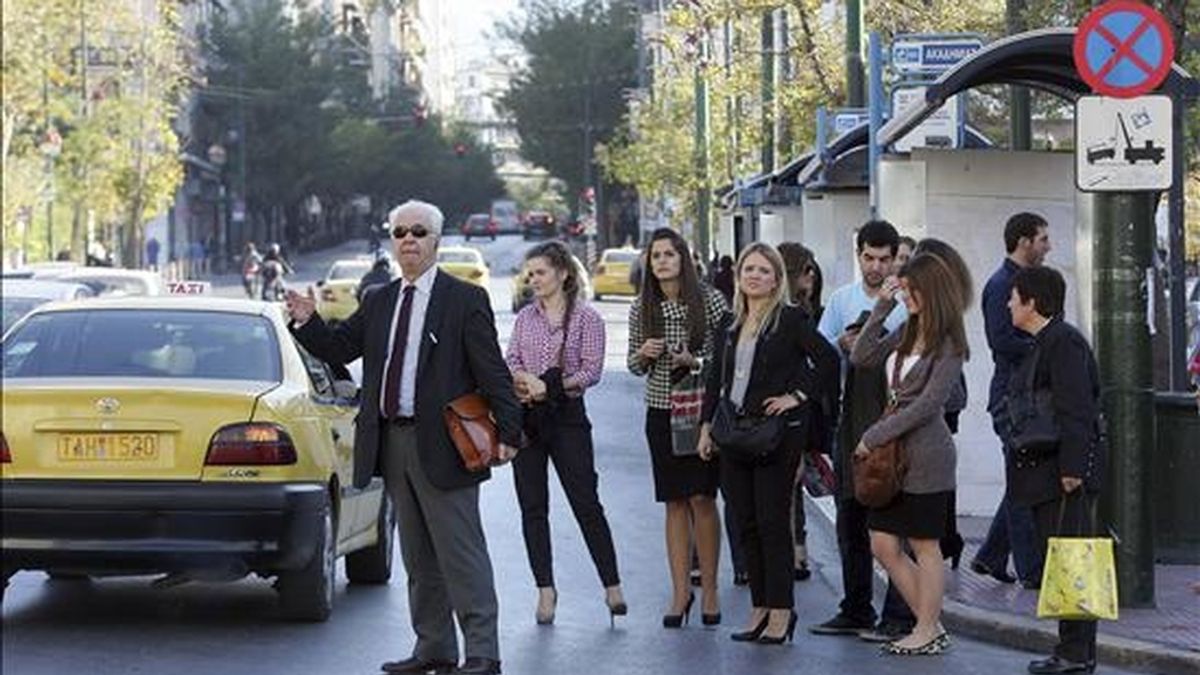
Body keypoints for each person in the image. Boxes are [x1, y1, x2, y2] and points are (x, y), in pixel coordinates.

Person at [284, 200, 522, 675]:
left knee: (461, 552)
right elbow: (338, 349)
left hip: (445, 444)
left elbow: (491, 370)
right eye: (400, 233)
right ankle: (433, 647)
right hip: (391, 442)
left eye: (418, 232)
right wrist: (308, 319)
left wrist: (510, 430)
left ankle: (483, 653)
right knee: (417, 554)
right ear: (393, 241)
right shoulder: (380, 300)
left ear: (436, 241)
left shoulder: (464, 300)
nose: (408, 240)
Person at [697, 243, 838, 645]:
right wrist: (706, 426)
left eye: (763, 270)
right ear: (738, 275)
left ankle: (781, 611)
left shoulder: (790, 319)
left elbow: (828, 362)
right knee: (746, 525)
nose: (754, 276)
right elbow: (714, 379)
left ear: (777, 279)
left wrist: (797, 395)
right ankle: (758, 609)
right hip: (733, 433)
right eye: (748, 269)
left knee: (773, 524)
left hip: (777, 436)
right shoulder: (728, 320)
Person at [849, 252, 969, 655]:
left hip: (927, 455)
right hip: (892, 454)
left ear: (931, 291)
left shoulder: (949, 343)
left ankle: (925, 628)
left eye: (912, 289)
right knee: (882, 544)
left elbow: (926, 406)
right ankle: (930, 624)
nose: (906, 295)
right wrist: (881, 307)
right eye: (905, 288)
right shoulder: (904, 329)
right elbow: (861, 356)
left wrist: (874, 435)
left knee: (923, 543)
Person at [506, 240, 625, 626]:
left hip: (568, 417)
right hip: (528, 419)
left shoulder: (586, 318)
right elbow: (510, 359)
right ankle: (545, 590)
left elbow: (592, 371)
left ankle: (612, 585)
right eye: (530, 273)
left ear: (563, 274)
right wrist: (522, 379)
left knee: (586, 503)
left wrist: (552, 387)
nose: (533, 279)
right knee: (532, 507)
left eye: (540, 272)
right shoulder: (525, 318)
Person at [810, 220, 912, 641]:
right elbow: (817, 353)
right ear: (859, 256)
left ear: (895, 259)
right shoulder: (840, 300)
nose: (876, 267)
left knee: (891, 521)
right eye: (869, 258)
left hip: (891, 424)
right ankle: (855, 607)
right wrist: (842, 346)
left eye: (884, 259)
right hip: (847, 422)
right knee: (849, 520)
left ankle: (899, 612)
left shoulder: (907, 303)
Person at [627, 227, 728, 629]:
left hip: (700, 409)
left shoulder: (711, 300)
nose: (663, 261)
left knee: (702, 498)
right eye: (656, 256)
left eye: (670, 254)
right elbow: (634, 367)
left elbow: (724, 357)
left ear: (683, 258)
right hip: (661, 409)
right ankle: (679, 591)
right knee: (673, 502)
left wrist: (695, 360)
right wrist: (643, 353)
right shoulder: (642, 306)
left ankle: (711, 590)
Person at [1005, 266, 1104, 675]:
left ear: (1032, 302)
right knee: (1062, 557)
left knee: (1072, 559)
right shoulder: (1045, 342)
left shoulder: (1062, 343)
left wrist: (1072, 469)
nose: (1009, 303)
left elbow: (1076, 408)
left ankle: (1076, 653)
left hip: (1060, 473)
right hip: (1044, 472)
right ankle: (1072, 649)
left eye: (1015, 297)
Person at [973, 212, 1053, 589]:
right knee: (1024, 481)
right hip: (1012, 398)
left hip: (1024, 396)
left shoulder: (1019, 282)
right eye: (1042, 239)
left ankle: (990, 555)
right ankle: (1030, 571)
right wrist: (1044, 346)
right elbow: (1001, 341)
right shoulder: (1001, 285)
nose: (1047, 246)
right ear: (1024, 242)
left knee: (1023, 478)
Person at [912, 238, 973, 568]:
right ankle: (949, 538)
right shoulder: (948, 309)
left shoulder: (942, 319)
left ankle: (946, 539)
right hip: (946, 404)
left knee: (932, 486)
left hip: (939, 405)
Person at [777, 242, 829, 582]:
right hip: (782, 406)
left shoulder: (810, 311)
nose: (811, 276)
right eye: (805, 269)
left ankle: (797, 551)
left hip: (805, 407)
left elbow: (825, 359)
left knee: (795, 480)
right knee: (784, 480)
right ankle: (790, 551)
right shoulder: (785, 313)